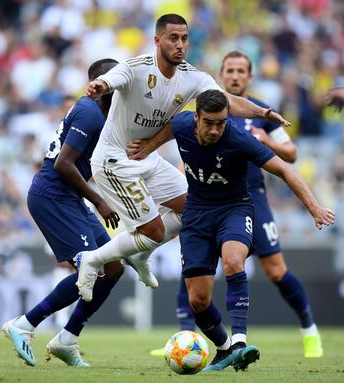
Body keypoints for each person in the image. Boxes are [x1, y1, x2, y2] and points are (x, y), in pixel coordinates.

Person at [75, 13, 290, 303]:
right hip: (115, 161)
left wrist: (263, 113)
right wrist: (100, 85)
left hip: (146, 159)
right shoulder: (137, 67)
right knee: (153, 230)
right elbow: (113, 78)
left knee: (193, 207)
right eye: (173, 38)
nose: (180, 44)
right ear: (157, 40)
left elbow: (228, 101)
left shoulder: (193, 77)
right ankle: (93, 259)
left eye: (185, 38)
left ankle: (141, 256)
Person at [126, 89, 335, 371]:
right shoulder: (182, 124)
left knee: (234, 260)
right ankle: (224, 349)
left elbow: (285, 170)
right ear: (196, 118)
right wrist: (147, 148)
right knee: (198, 300)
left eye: (221, 123)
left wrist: (314, 208)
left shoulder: (238, 138)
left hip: (234, 209)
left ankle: (239, 342)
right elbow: (163, 133)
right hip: (196, 213)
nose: (215, 130)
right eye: (209, 122)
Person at [2, 58, 123, 367]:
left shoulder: (105, 114)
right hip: (53, 196)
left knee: (113, 268)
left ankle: (67, 339)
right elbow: (63, 164)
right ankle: (25, 324)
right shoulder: (89, 111)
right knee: (91, 269)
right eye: (118, 78)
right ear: (101, 81)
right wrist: (99, 201)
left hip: (70, 198)